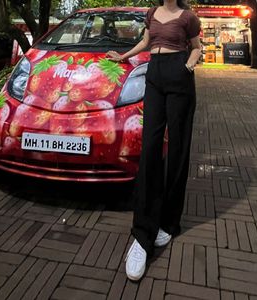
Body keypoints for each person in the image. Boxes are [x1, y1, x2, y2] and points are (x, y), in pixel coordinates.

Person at [107, 0, 201, 281]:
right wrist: (123, 57)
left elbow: (197, 47)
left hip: (179, 73)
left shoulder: (188, 16)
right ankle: (142, 233)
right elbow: (146, 41)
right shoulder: (151, 13)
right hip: (155, 74)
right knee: (149, 148)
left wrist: (187, 67)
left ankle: (169, 223)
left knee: (178, 150)